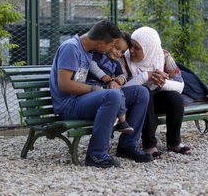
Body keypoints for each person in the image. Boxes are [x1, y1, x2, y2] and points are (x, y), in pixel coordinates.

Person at [49, 21, 153, 168]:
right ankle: (96, 154)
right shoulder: (71, 48)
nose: (113, 49)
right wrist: (97, 90)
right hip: (68, 105)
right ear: (101, 43)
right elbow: (64, 84)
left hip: (84, 100)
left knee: (140, 92)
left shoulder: (90, 50)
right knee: (111, 95)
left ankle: (127, 146)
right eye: (112, 45)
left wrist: (115, 82)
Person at [118, 26, 191, 158]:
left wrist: (162, 83)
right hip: (133, 104)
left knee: (175, 98)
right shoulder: (123, 59)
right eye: (131, 46)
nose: (131, 50)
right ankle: (149, 145)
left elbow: (180, 86)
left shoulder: (163, 55)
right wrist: (145, 77)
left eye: (137, 48)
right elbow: (121, 90)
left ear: (149, 48)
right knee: (144, 92)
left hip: (156, 98)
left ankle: (174, 142)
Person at [87, 32, 134, 133]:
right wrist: (104, 76)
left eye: (122, 52)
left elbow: (122, 74)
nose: (118, 53)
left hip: (106, 86)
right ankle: (112, 119)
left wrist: (121, 79)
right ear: (110, 44)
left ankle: (122, 121)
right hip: (93, 84)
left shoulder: (116, 63)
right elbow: (92, 65)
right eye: (117, 48)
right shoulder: (98, 55)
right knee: (113, 95)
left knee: (119, 93)